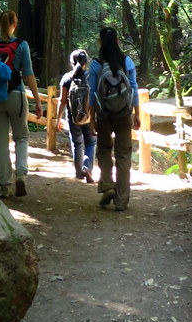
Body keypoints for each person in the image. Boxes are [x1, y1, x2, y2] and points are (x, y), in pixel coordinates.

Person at [0, 10, 43, 198]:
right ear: (15, 23)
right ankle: (20, 174)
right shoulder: (21, 45)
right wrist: (37, 100)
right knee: (21, 137)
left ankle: (4, 185)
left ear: (0, 24)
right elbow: (28, 73)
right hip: (16, 96)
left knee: (0, 143)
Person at [87, 27, 140, 211]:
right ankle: (121, 200)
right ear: (117, 40)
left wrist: (92, 119)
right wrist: (137, 114)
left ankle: (108, 184)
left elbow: (92, 93)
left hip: (104, 115)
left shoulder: (96, 64)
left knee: (103, 150)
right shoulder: (127, 62)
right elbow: (133, 88)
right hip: (124, 114)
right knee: (123, 155)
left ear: (100, 42)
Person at [57, 49, 96, 184]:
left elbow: (62, 101)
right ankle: (87, 168)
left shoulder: (67, 78)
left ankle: (79, 173)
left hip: (73, 117)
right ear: (86, 62)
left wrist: (58, 119)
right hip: (90, 116)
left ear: (72, 62)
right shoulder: (91, 77)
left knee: (77, 143)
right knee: (91, 142)